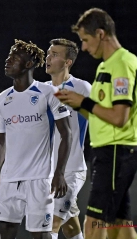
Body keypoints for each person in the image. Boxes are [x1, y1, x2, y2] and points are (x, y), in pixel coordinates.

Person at [55, 8, 137, 239]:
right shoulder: (106, 66)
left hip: (116, 153)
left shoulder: (121, 63)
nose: (83, 47)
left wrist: (84, 101)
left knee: (94, 225)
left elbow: (119, 117)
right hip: (111, 152)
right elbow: (105, 113)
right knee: (121, 230)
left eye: (85, 40)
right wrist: (78, 105)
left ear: (101, 34)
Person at [0, 39, 72, 239]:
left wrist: (59, 173)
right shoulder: (2, 99)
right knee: (6, 232)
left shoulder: (49, 93)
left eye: (14, 58)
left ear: (28, 64)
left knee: (40, 235)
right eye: (8, 56)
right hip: (8, 179)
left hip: (39, 179)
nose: (8, 61)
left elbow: (66, 134)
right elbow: (0, 141)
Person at [45, 38, 91, 239]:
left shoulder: (82, 89)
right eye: (48, 53)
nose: (48, 57)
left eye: (55, 54)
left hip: (71, 171)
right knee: (71, 228)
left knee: (50, 225)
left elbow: (102, 120)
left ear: (67, 62)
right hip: (46, 173)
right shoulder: (41, 90)